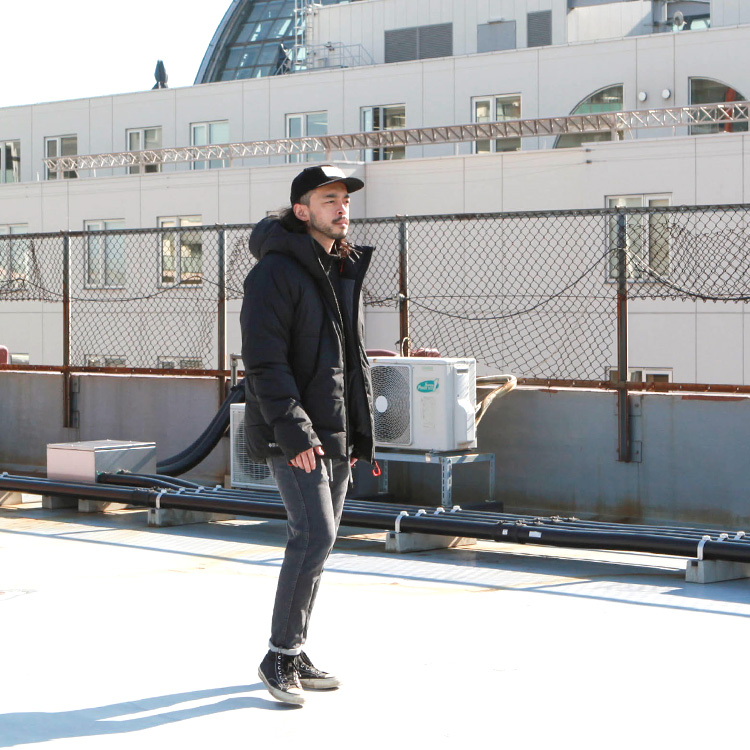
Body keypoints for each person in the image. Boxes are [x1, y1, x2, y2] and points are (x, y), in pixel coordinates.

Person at [240, 165, 375, 705]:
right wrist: (297, 434)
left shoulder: (338, 266)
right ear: (302, 211)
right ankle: (277, 655)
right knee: (312, 534)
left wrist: (354, 433)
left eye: (345, 199)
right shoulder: (274, 273)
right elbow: (264, 362)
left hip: (332, 431)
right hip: (294, 432)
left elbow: (346, 361)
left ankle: (294, 651)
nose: (342, 208)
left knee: (322, 539)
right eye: (329, 199)